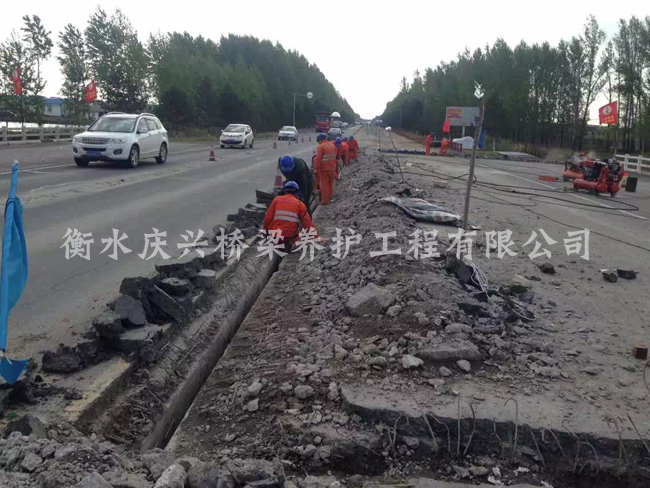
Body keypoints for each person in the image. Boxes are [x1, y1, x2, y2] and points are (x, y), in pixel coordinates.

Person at [263, 181, 318, 249]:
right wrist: (316, 238)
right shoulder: (300, 204)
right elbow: (307, 224)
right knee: (300, 237)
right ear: (296, 192)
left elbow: (267, 219)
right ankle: (291, 246)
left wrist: (265, 232)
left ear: (285, 191)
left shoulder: (276, 200)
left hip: (276, 235)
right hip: (290, 236)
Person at [313, 132, 337, 204]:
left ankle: (325, 200)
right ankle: (330, 196)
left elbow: (318, 159)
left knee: (324, 185)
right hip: (332, 167)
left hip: (323, 169)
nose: (318, 143)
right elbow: (335, 155)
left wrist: (315, 168)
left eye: (318, 141)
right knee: (330, 183)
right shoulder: (332, 145)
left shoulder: (321, 147)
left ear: (320, 140)